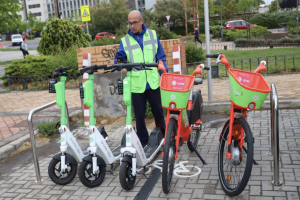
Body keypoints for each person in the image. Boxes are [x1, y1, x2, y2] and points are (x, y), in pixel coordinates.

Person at [114, 10, 168, 147]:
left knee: (158, 112)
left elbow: (160, 56)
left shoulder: (152, 35)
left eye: (135, 23)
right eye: (130, 23)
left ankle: (164, 138)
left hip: (153, 82)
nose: (132, 26)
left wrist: (164, 72)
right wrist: (119, 61)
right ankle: (143, 142)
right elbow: (120, 57)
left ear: (141, 21)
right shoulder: (125, 40)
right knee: (139, 116)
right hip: (137, 85)